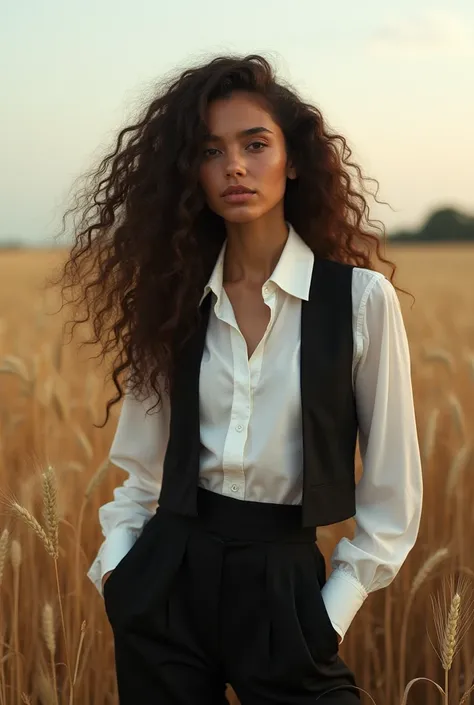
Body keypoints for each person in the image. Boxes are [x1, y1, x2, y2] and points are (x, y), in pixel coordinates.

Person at [55, 54, 423, 704]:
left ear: (295, 158)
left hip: (285, 587)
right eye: (210, 150)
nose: (234, 165)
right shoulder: (175, 299)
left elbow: (391, 496)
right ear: (190, 171)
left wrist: (328, 612)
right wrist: (120, 574)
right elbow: (141, 473)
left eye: (255, 144)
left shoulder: (360, 301)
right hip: (168, 578)